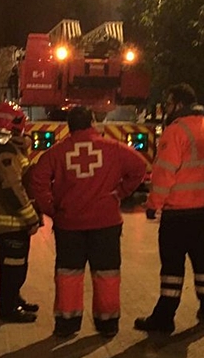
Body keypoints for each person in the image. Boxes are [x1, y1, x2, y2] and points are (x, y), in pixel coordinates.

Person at [28, 106, 147, 339]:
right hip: (106, 224)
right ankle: (108, 323)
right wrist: (120, 193)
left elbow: (37, 180)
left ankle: (67, 323)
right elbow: (139, 167)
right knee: (107, 274)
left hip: (69, 225)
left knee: (69, 274)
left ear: (69, 125)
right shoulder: (113, 148)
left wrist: (51, 208)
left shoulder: (57, 152)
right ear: (93, 122)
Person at [134, 83, 204, 334]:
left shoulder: (176, 131)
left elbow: (164, 174)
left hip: (180, 211)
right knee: (202, 258)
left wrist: (153, 206)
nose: (166, 108)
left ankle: (164, 318)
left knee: (172, 266)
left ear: (180, 104)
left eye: (169, 103)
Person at [0, 101, 41, 323]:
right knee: (13, 269)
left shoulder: (0, 146)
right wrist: (31, 217)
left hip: (4, 222)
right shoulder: (6, 151)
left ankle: (14, 300)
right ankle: (9, 309)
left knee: (11, 266)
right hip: (11, 222)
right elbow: (12, 187)